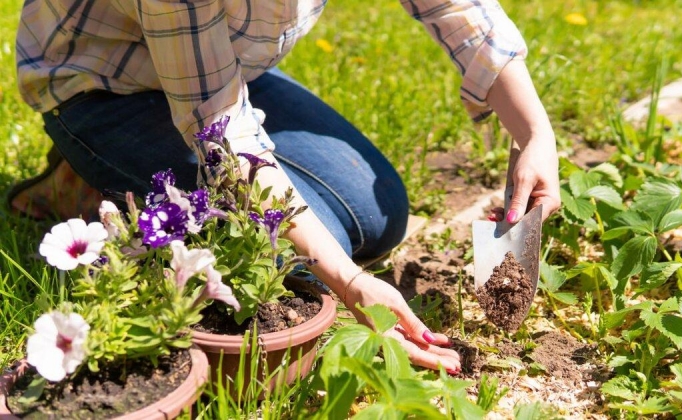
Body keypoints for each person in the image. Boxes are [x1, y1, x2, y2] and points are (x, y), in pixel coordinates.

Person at [10, 1, 560, 373]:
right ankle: (88, 172)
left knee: (379, 216)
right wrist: (348, 284)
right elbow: (223, 132)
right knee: (299, 259)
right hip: (102, 86)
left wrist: (534, 131)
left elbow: (454, 8)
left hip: (219, 70)